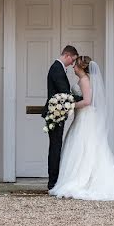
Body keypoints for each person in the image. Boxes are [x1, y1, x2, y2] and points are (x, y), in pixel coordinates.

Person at [49, 55, 114, 200]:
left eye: (75, 65)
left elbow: (87, 102)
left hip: (86, 118)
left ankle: (84, 179)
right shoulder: (82, 80)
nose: (73, 67)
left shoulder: (85, 81)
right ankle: (75, 177)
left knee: (85, 147)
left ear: (81, 67)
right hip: (81, 117)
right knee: (80, 147)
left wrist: (70, 106)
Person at [44, 45, 78, 190]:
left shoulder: (58, 68)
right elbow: (65, 93)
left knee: (56, 147)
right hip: (55, 115)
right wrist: (84, 98)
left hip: (57, 114)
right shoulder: (57, 69)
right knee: (55, 148)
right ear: (68, 56)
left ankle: (54, 180)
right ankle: (53, 182)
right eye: (73, 60)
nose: (72, 64)